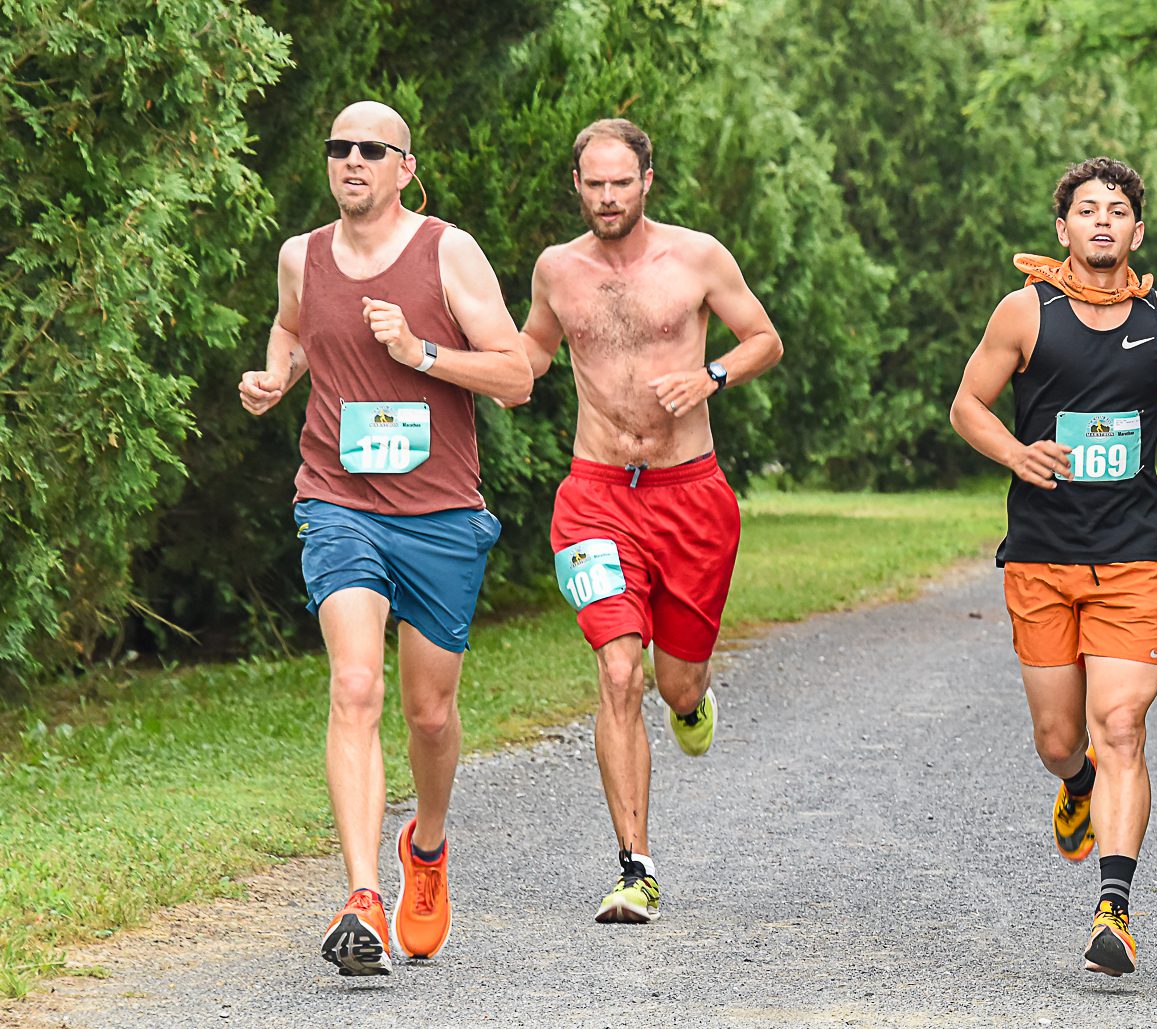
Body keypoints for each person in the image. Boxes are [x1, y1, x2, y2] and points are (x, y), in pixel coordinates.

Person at [237, 100, 533, 975]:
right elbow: (293, 327)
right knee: (355, 684)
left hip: (440, 512)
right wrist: (275, 375)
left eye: (372, 149)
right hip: (338, 503)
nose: (352, 160)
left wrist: (422, 354)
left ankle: (427, 850)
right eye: (339, 148)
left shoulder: (448, 251)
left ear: (406, 167)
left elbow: (516, 375)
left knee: (429, 712)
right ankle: (362, 895)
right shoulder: (303, 256)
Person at [948, 157, 1157, 977]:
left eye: (1118, 210)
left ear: (1137, 231)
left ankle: (1114, 907)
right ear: (1062, 228)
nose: (1103, 220)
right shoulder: (1024, 312)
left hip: (1133, 558)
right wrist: (1015, 452)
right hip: (1040, 558)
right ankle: (1075, 785)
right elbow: (968, 404)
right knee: (1061, 738)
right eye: (1087, 209)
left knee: (1122, 726)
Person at [516, 118, 783, 923]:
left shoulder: (697, 256)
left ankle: (693, 702)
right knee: (619, 670)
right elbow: (529, 354)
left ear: (646, 182)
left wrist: (710, 377)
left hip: (691, 495)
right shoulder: (556, 270)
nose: (607, 197)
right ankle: (635, 864)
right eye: (593, 184)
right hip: (596, 494)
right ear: (578, 186)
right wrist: (440, 361)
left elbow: (763, 339)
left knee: (674, 681)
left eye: (620, 183)